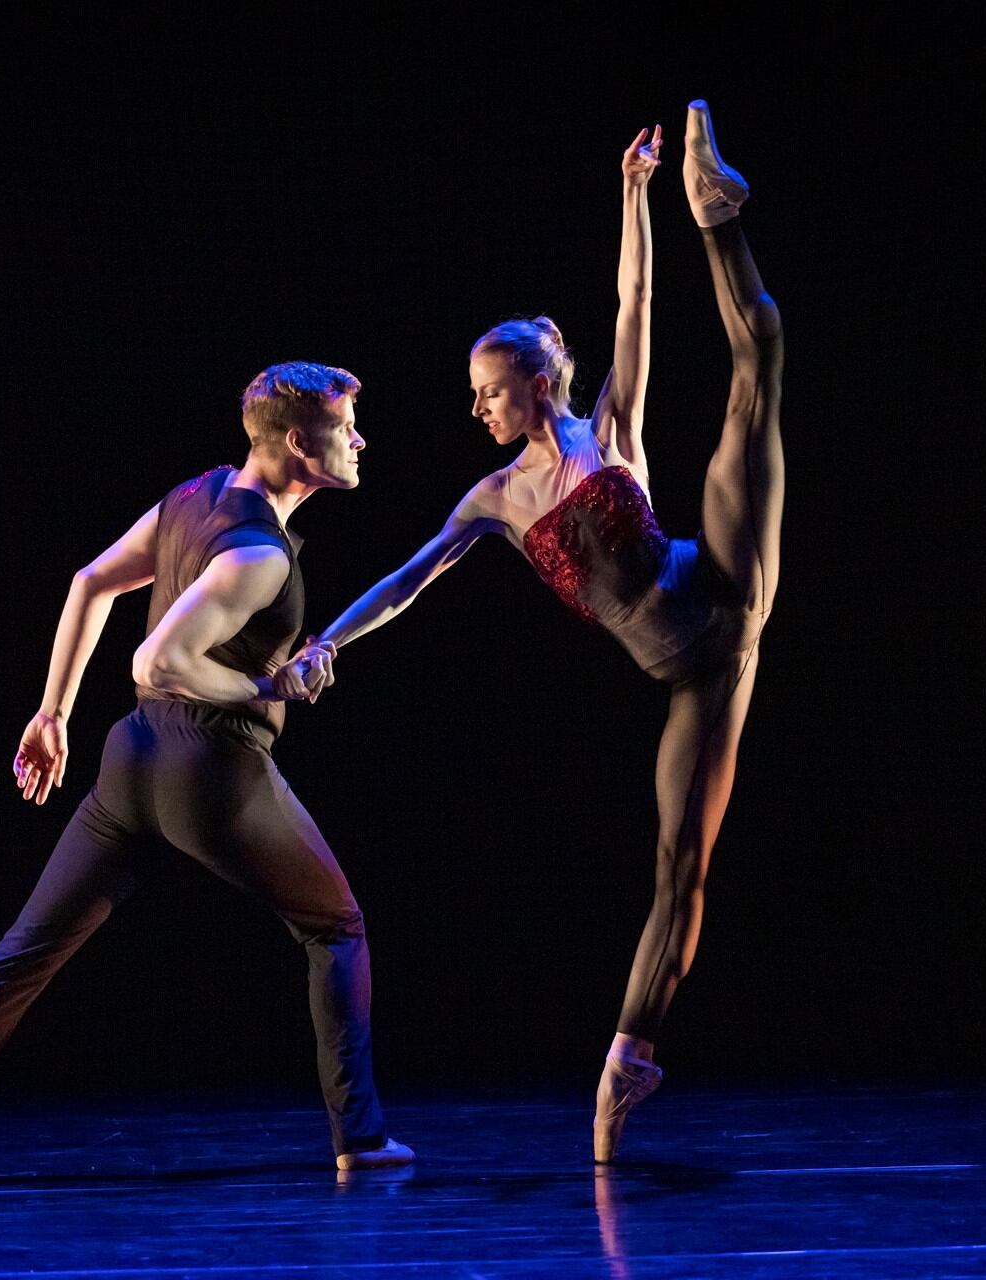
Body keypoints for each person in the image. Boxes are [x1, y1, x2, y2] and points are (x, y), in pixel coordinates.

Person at [313, 103, 783, 1162]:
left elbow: (633, 299)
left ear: (538, 379)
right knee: (678, 867)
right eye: (475, 397)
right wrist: (325, 643)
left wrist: (635, 195)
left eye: (489, 390)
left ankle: (719, 215)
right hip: (699, 677)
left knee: (753, 386)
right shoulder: (491, 500)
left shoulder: (607, 425)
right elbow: (405, 578)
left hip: (719, 584)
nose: (478, 409)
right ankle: (626, 1064)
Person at [0, 361, 414, 1182]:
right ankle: (359, 1138)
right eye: (345, 427)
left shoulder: (196, 495)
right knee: (337, 927)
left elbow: (90, 582)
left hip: (130, 764)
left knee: (22, 955)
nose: (359, 441)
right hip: (208, 771)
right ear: (296, 442)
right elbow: (157, 659)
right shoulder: (258, 556)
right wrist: (262, 686)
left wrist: (52, 712)